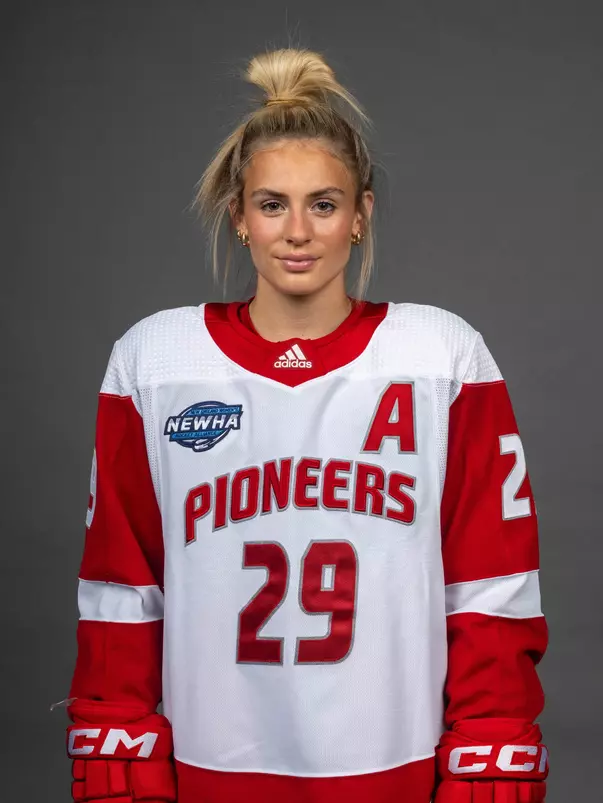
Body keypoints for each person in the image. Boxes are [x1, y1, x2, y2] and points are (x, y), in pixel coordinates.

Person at [63, 48, 549, 803]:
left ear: (359, 216)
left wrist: (489, 744)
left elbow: (489, 584)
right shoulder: (154, 360)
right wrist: (117, 739)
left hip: (393, 759)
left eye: (323, 204)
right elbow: (123, 584)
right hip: (213, 760)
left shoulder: (440, 355)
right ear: (239, 217)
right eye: (271, 204)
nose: (297, 230)